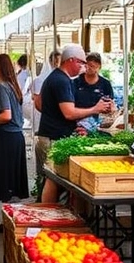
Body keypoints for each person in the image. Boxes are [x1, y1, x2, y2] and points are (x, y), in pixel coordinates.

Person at [36, 44, 113, 203]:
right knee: (53, 179)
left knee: (53, 179)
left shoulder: (57, 78)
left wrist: (55, 115)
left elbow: (40, 103)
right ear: (70, 60)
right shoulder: (62, 81)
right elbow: (69, 113)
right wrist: (95, 109)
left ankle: (49, 216)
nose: (83, 66)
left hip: (51, 135)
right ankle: (48, 217)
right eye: (81, 62)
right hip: (53, 138)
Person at [0, 54, 29, 233]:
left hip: (6, 137)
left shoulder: (2, 86)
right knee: (13, 180)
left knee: (7, 180)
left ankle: (10, 221)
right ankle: (11, 219)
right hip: (16, 137)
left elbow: (6, 115)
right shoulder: (13, 85)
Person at [32, 50, 61, 136]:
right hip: (44, 116)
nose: (57, 64)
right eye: (55, 61)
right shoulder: (39, 80)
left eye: (58, 61)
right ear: (50, 61)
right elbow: (37, 102)